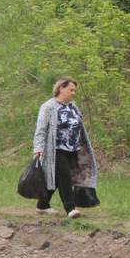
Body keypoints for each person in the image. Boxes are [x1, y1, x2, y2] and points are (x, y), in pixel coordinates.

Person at [32, 77, 98, 218]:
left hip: (73, 149)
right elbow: (41, 129)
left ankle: (42, 205)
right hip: (56, 149)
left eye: (75, 90)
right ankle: (70, 209)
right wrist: (38, 148)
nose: (73, 93)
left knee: (57, 178)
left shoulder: (73, 106)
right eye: (71, 89)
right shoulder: (49, 107)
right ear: (61, 88)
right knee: (66, 177)